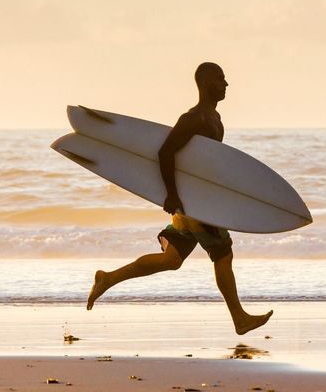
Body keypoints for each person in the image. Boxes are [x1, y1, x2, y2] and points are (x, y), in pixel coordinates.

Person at [86, 62, 273, 335]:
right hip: (195, 204)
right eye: (220, 79)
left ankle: (108, 278)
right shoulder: (194, 119)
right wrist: (172, 194)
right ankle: (239, 319)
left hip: (191, 203)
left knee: (171, 260)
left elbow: (202, 163)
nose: (226, 84)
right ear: (206, 82)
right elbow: (166, 153)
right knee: (223, 253)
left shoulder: (214, 119)